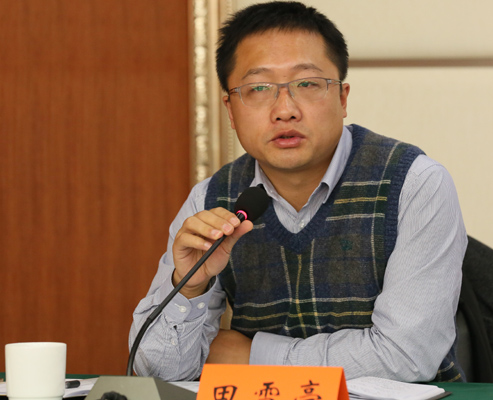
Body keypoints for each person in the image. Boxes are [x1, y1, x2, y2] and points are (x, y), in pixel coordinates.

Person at [129, 1, 467, 383]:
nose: (285, 110)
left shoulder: (415, 184)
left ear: (342, 98)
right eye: (258, 88)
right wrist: (190, 287)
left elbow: (405, 358)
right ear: (231, 110)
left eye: (306, 84)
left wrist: (250, 356)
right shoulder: (212, 199)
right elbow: (157, 370)